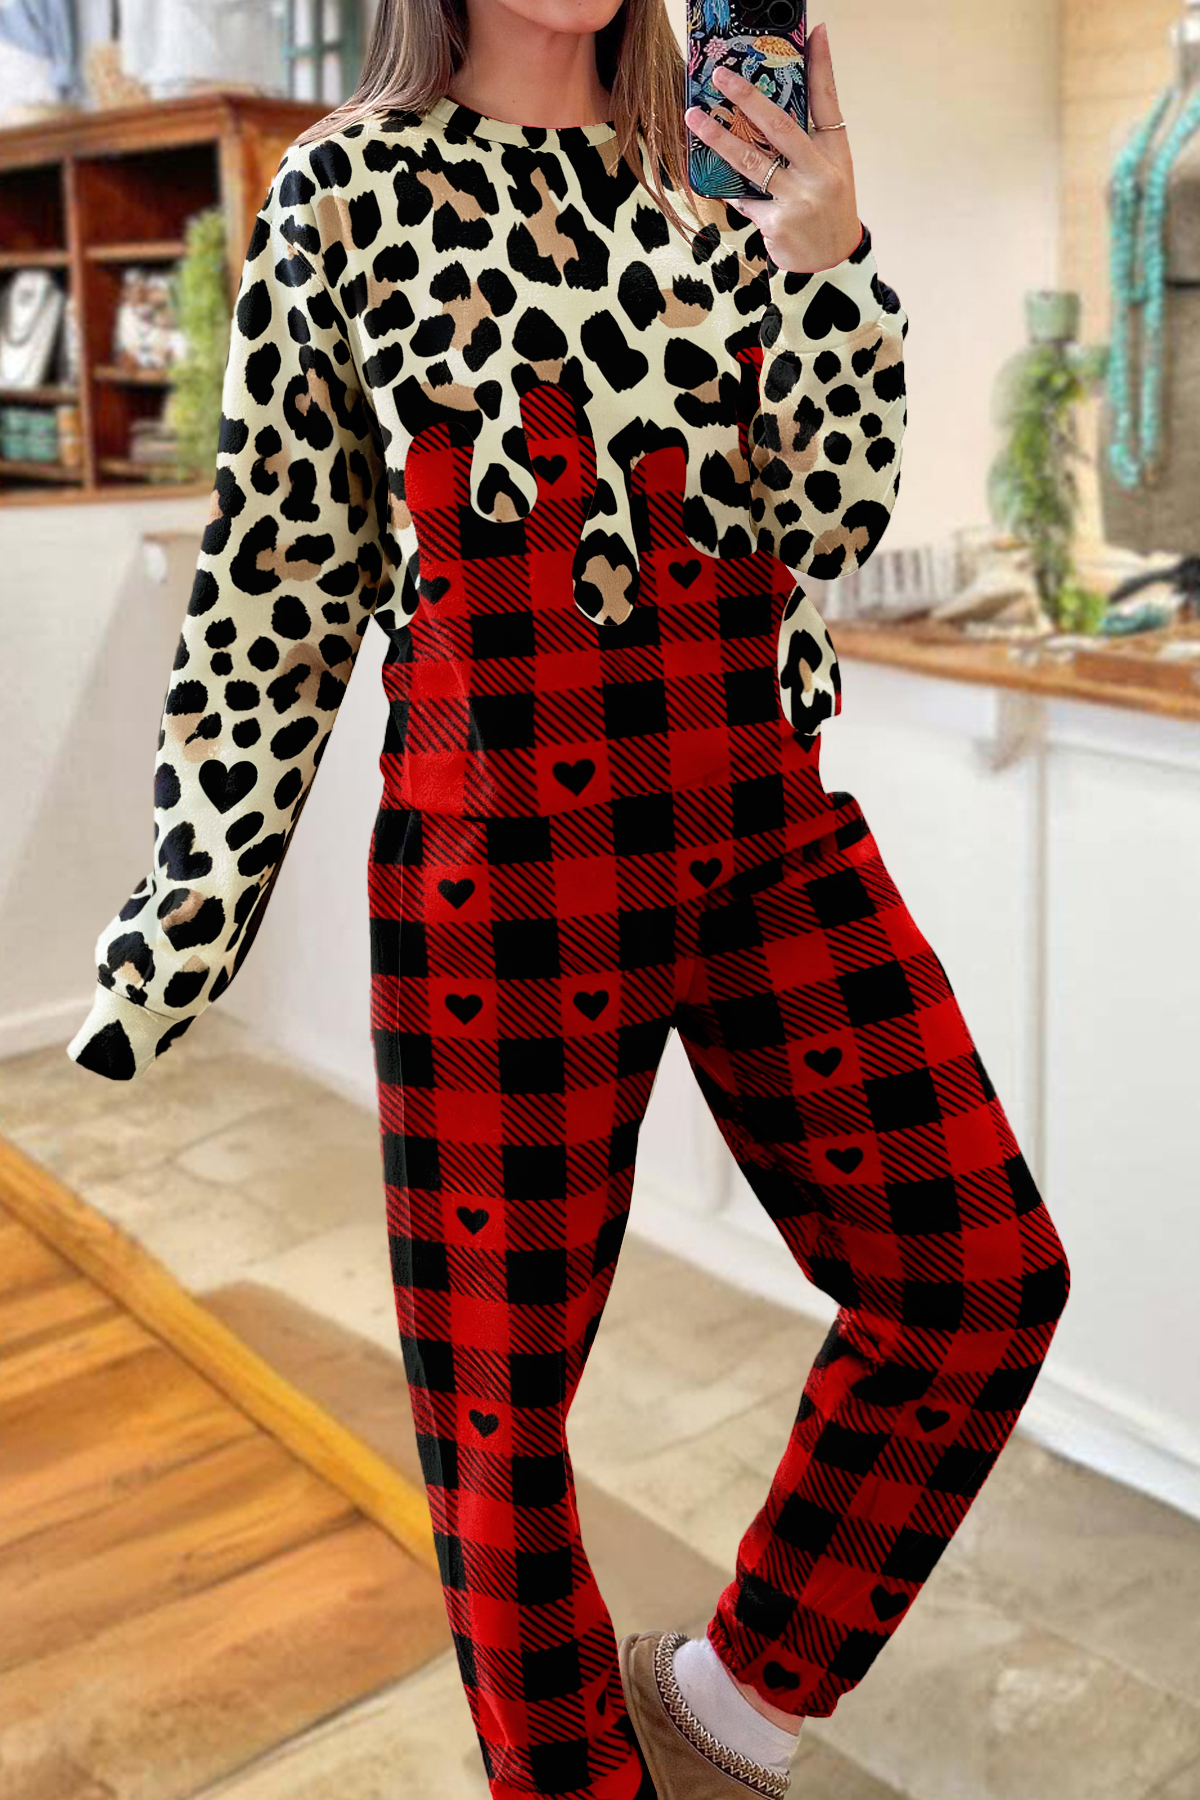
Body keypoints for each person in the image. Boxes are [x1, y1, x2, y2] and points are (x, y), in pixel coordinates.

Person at [66, 2, 1072, 1796]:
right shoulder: (339, 197)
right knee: (497, 1428)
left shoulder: (719, 178)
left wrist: (827, 255)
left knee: (979, 1279)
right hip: (498, 863)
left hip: (763, 822)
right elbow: (281, 581)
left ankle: (731, 1704)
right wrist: (185, 909)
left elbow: (834, 519)